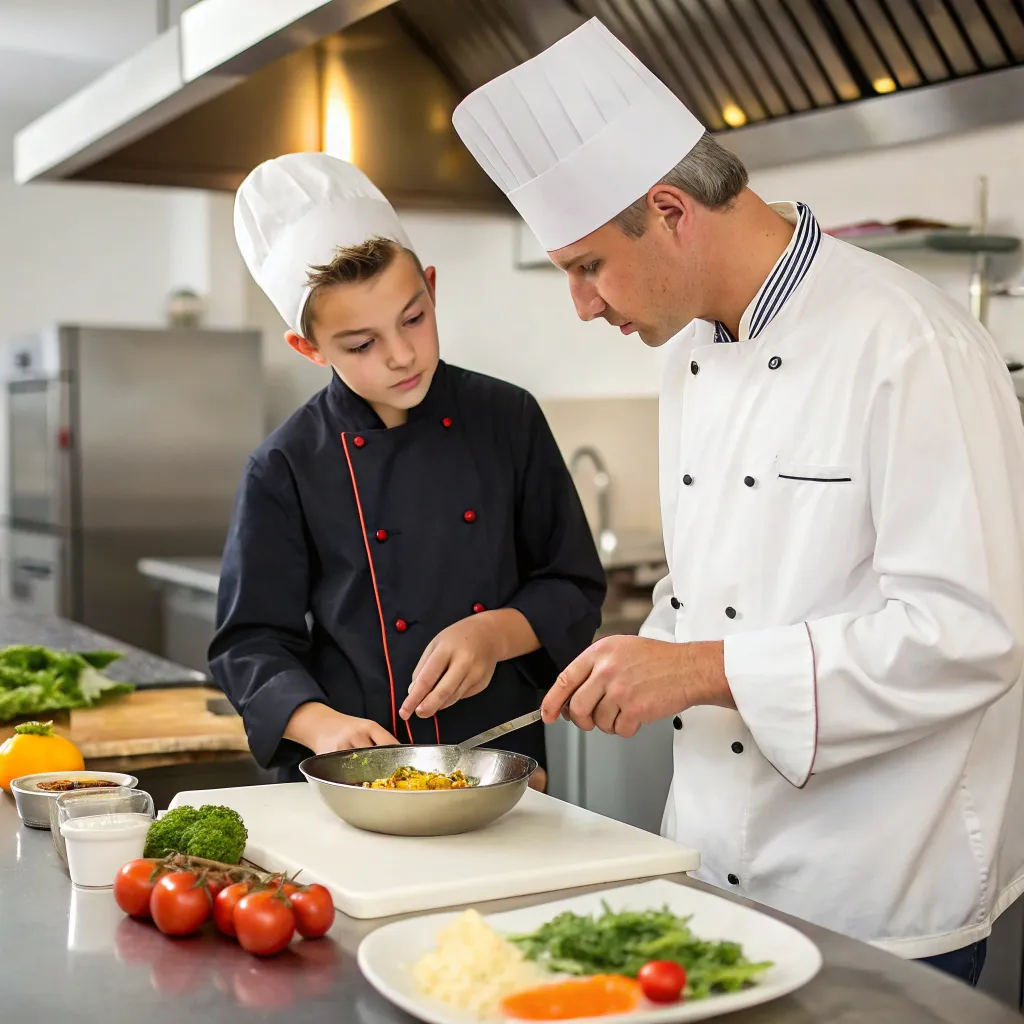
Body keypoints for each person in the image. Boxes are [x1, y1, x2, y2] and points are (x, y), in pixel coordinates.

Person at [452, 17, 1024, 984]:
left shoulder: (909, 343)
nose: (583, 306)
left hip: (875, 889)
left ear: (670, 210)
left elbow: (968, 633)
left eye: (588, 265)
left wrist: (701, 670)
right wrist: (637, 657)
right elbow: (720, 581)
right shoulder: (686, 356)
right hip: (710, 870)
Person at [210, 152, 606, 793]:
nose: (401, 355)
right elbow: (250, 642)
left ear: (430, 284)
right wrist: (319, 726)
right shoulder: (285, 464)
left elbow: (571, 584)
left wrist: (494, 632)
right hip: (351, 777)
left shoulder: (507, 417)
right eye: (361, 344)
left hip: (498, 764)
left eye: (414, 318)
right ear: (308, 348)